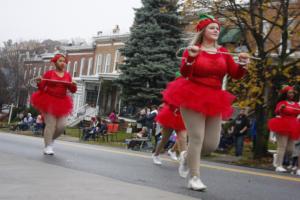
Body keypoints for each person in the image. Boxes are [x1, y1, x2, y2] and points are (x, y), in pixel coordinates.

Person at [161, 14, 249, 191]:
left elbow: (235, 74)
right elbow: (185, 72)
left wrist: (242, 65)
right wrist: (191, 58)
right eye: (212, 27)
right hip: (192, 94)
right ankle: (194, 177)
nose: (216, 30)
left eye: (217, 28)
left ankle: (186, 157)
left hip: (215, 98)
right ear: (203, 31)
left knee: (211, 144)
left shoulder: (223, 52)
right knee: (197, 137)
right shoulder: (193, 49)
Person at [31, 53, 77, 155]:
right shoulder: (49, 74)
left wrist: (74, 85)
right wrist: (39, 82)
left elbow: (72, 90)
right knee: (51, 124)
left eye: (64, 61)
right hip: (49, 100)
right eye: (60, 61)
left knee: (61, 126)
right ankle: (48, 146)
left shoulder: (67, 75)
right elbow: (42, 88)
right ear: (55, 62)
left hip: (62, 101)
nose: (62, 63)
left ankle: (50, 140)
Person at [268, 85, 300, 172]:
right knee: (282, 146)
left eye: (292, 92)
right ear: (286, 94)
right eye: (290, 92)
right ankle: (279, 165)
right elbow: (277, 111)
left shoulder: (296, 104)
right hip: (282, 125)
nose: (292, 94)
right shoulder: (282, 103)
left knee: (290, 150)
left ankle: (277, 156)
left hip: (293, 127)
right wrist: (281, 109)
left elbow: (297, 114)